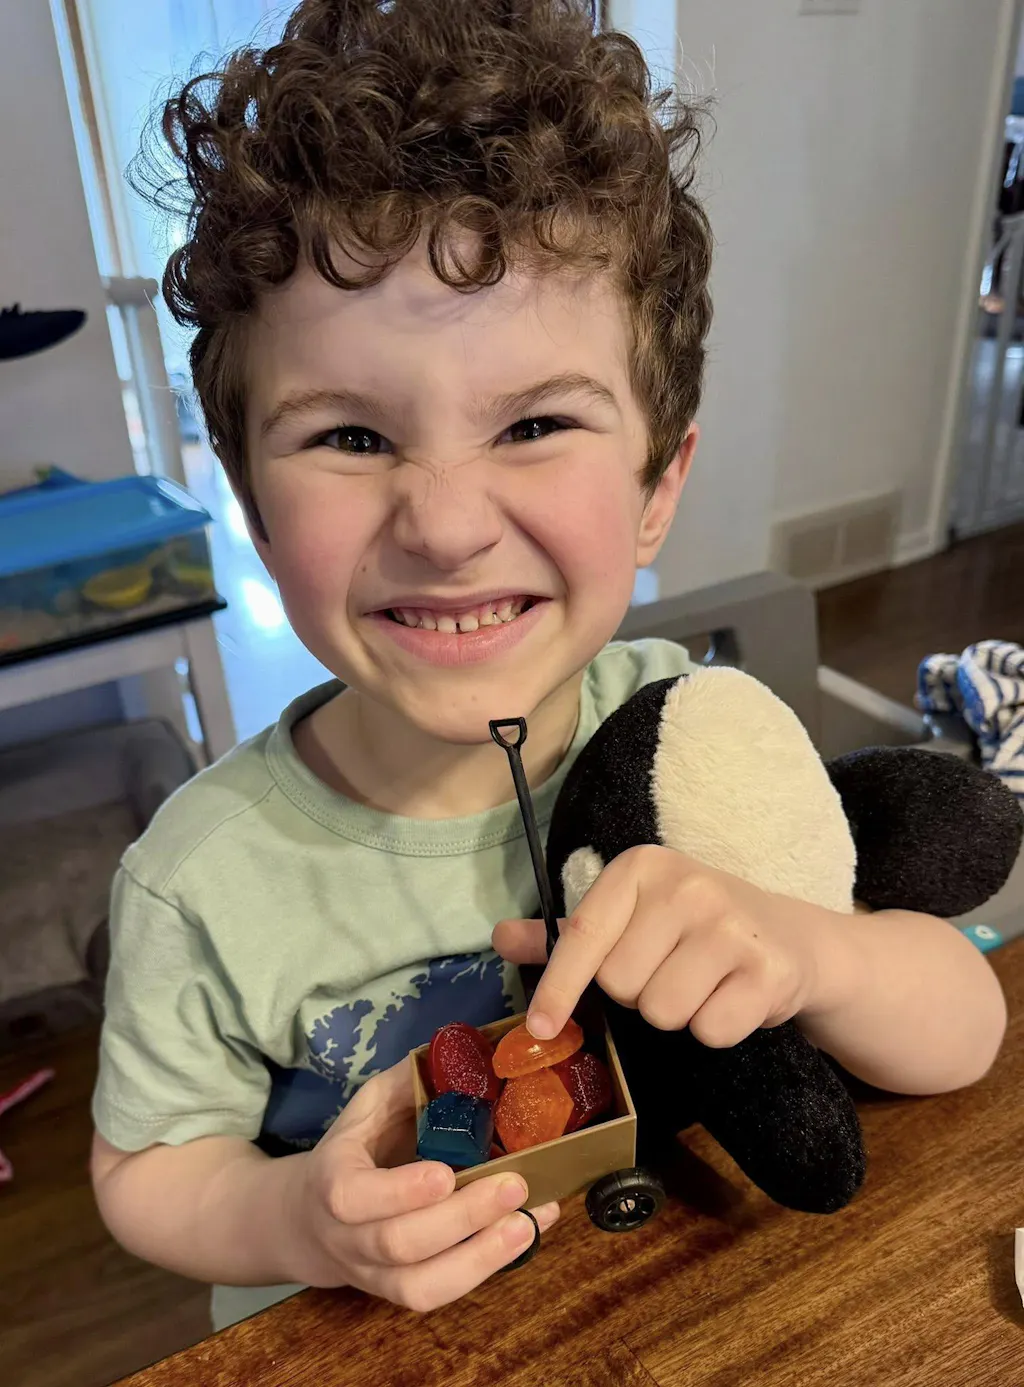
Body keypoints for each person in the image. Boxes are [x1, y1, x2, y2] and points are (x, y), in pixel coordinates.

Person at [90, 0, 1007, 1332]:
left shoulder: (698, 739)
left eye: (532, 424)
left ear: (656, 486)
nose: (445, 524)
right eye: (350, 437)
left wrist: (814, 955)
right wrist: (296, 1217)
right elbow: (146, 1169)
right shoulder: (195, 880)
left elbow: (965, 1029)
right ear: (250, 503)